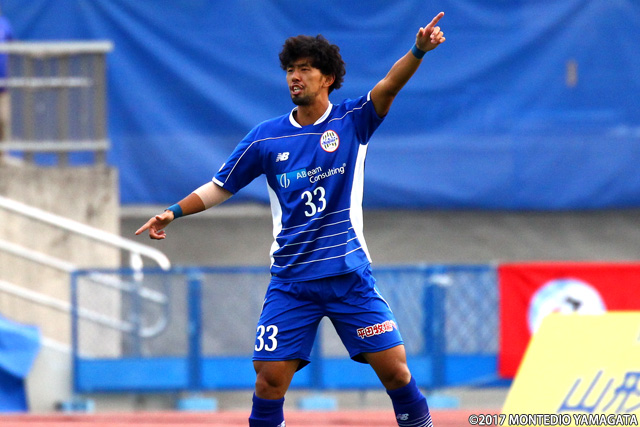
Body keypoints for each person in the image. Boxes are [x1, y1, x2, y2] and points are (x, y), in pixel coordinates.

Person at [137, 12, 445, 427]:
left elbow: (389, 85)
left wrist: (418, 51)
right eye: (289, 70)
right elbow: (220, 186)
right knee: (268, 381)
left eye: (305, 69)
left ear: (328, 78)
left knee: (396, 372)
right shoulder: (266, 137)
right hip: (292, 282)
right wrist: (172, 212)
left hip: (348, 277)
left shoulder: (353, 121)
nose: (294, 77)